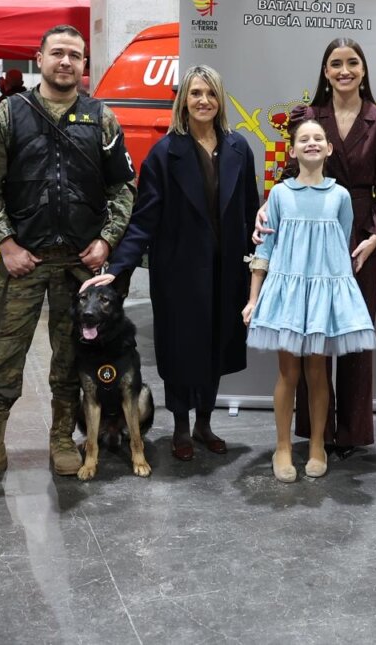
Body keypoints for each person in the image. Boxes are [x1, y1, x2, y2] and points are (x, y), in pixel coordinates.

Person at [0, 25, 135, 489]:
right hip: (23, 261)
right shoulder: (9, 115)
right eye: (57, 53)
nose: (65, 62)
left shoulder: (102, 118)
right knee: (1, 355)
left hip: (78, 266)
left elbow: (123, 186)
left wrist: (107, 240)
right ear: (40, 58)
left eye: (75, 56)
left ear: (83, 64)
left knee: (70, 358)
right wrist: (7, 243)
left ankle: (62, 440)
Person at [82, 65, 259, 460]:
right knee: (181, 351)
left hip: (226, 271)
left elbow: (251, 212)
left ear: (220, 99)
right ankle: (180, 425)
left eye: (210, 93)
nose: (203, 101)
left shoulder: (238, 149)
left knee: (215, 348)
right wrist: (117, 267)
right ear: (183, 101)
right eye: (195, 93)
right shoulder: (166, 153)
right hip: (179, 272)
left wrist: (259, 266)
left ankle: (204, 424)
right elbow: (144, 220)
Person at [256, 38, 376, 459]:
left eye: (352, 62)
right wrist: (266, 210)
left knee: (352, 339)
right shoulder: (308, 118)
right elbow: (287, 174)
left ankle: (350, 434)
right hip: (306, 241)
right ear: (325, 71)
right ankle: (313, 433)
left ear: (363, 68)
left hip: (360, 239)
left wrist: (374, 236)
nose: (344, 70)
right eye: (335, 63)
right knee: (309, 338)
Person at [244, 118, 376, 483]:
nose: (312, 143)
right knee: (288, 373)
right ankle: (283, 445)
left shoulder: (340, 196)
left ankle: (318, 443)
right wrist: (253, 299)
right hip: (287, 294)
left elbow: (343, 247)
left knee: (317, 371)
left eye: (319, 138)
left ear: (330, 149)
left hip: (321, 296)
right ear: (293, 149)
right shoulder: (280, 195)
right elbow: (264, 249)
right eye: (304, 138)